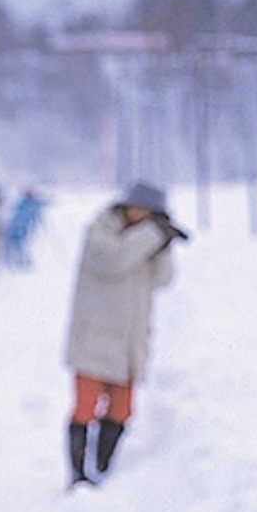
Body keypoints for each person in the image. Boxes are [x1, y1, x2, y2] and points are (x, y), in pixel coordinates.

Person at [63, 181, 186, 486]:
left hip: (129, 344)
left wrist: (164, 246)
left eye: (151, 214)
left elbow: (163, 280)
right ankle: (78, 474)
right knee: (85, 408)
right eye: (140, 209)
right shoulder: (100, 232)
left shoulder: (145, 241)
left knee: (122, 410)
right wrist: (154, 235)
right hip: (94, 340)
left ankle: (103, 467)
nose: (143, 216)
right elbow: (113, 260)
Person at [2, 188, 44, 267]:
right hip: (15, 227)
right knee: (13, 245)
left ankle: (21, 261)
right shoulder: (24, 203)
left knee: (19, 245)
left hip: (21, 228)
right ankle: (13, 261)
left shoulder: (32, 205)